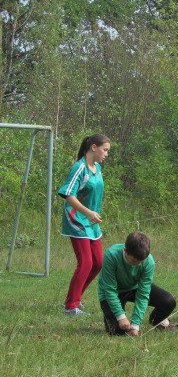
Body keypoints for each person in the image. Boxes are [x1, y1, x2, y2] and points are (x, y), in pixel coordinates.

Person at [58, 134, 111, 316]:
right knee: (86, 263)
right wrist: (88, 213)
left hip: (91, 223)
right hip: (76, 219)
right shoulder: (79, 168)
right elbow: (68, 195)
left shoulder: (97, 168)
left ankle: (75, 299)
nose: (106, 154)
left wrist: (93, 214)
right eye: (105, 150)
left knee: (98, 263)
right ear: (94, 147)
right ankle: (71, 306)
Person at [98, 231, 177, 336]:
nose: (138, 264)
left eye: (141, 261)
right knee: (118, 332)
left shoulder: (148, 262)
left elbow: (143, 294)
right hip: (113, 292)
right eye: (135, 261)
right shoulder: (111, 255)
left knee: (169, 301)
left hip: (134, 288)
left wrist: (135, 324)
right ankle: (115, 319)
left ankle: (156, 320)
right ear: (125, 250)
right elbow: (109, 289)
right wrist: (121, 317)